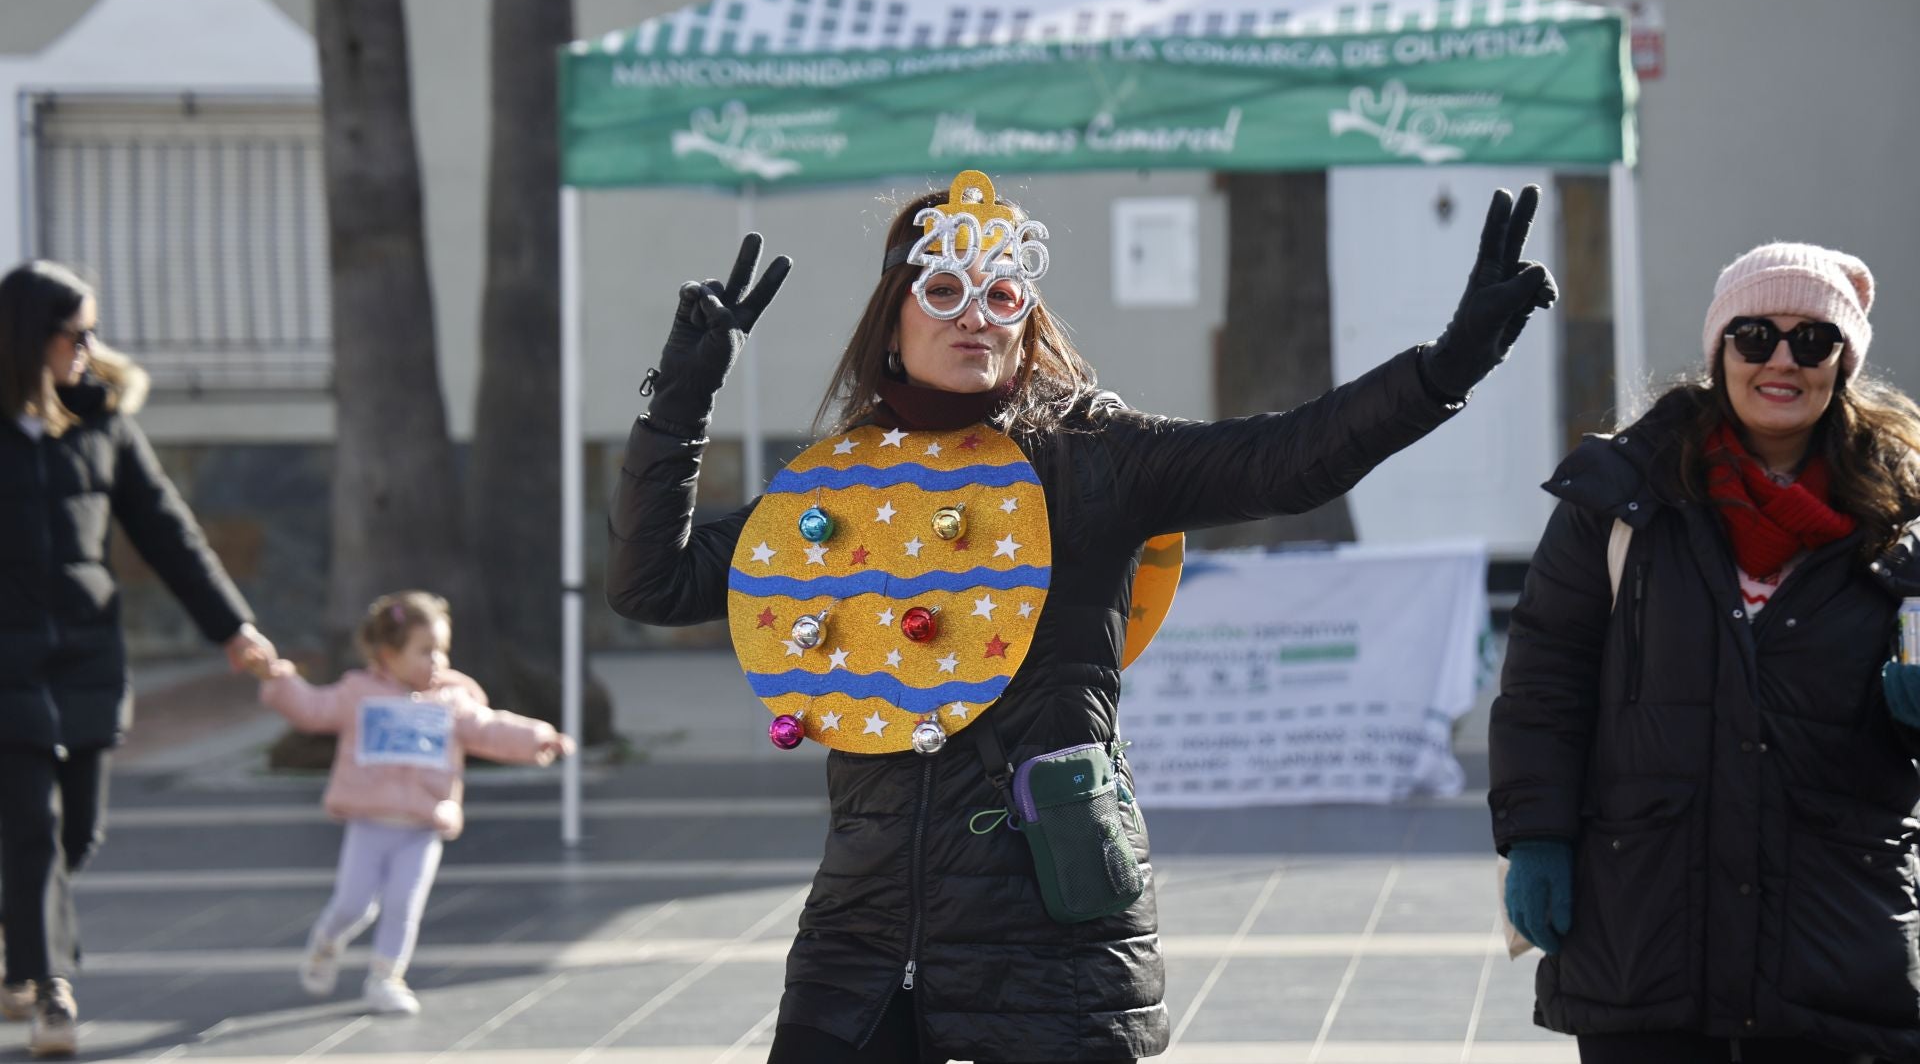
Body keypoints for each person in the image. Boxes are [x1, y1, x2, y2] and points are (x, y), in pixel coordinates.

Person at [607, 172, 1557, 1064]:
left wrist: (1449, 364)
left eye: (1001, 295)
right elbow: (654, 584)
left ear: (1027, 321)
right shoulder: (835, 489)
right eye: (944, 290)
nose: (975, 316)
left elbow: (1286, 458)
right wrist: (681, 401)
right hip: (860, 951)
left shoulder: (1095, 458)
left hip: (1054, 946)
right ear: (892, 321)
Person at [1490, 241, 1920, 1063]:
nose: (1781, 361)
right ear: (1720, 350)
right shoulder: (1620, 497)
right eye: (1755, 336)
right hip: (1644, 936)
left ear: (1843, 362)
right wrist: (1535, 835)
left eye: (1812, 340)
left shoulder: (1906, 515)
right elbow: (1546, 679)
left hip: (1836, 947)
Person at [0, 259, 278, 1058]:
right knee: (33, 823)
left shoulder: (104, 424)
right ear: (31, 337)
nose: (90, 348)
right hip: (5, 662)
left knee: (79, 832)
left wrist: (233, 626)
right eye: (76, 334)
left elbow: (167, 529)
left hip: (85, 654)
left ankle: (18, 934)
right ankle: (51, 990)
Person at [242, 590, 573, 1015]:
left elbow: (488, 728)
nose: (437, 660)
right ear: (387, 653)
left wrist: (537, 737)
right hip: (369, 824)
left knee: (403, 905)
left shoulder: (452, 699)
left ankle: (386, 977)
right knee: (353, 905)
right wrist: (275, 677)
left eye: (441, 650)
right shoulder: (358, 694)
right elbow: (312, 708)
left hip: (422, 827)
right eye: (425, 650)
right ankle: (327, 939)